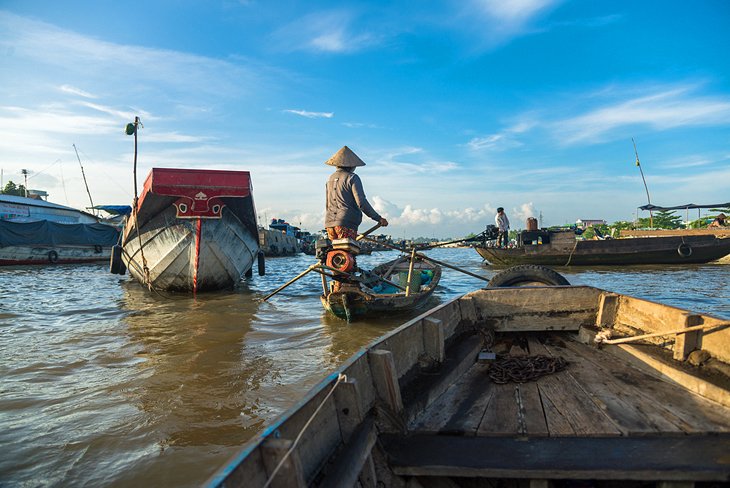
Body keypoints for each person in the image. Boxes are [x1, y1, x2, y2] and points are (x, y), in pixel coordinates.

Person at [324, 145, 388, 242]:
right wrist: (378, 218)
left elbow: (328, 205)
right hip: (346, 224)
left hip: (329, 224)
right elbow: (361, 202)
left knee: (336, 254)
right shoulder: (352, 178)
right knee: (347, 253)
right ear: (351, 165)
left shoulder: (330, 179)